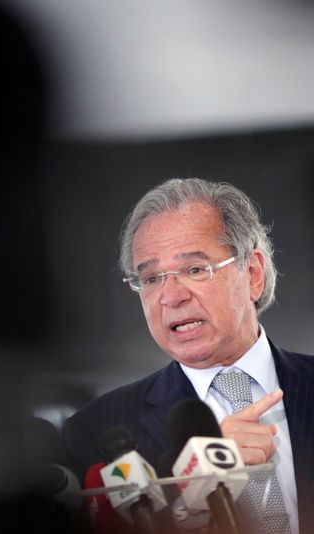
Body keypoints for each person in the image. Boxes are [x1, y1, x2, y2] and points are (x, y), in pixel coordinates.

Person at [62, 178, 314, 534]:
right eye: (150, 279)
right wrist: (194, 492)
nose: (170, 297)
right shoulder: (93, 432)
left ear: (253, 273)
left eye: (195, 269)